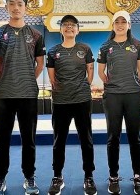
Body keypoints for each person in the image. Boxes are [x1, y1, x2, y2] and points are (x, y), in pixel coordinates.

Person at [0, 0, 45, 195]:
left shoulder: (36, 35)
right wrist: (8, 79)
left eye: (20, 4)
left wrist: (27, 78)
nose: (16, 7)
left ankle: (29, 178)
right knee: (1, 140)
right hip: (3, 94)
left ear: (25, 8)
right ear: (6, 8)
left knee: (28, 140)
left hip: (28, 94)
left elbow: (40, 63)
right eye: (12, 4)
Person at [97, 10, 140, 195]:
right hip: (113, 97)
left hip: (133, 95)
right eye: (116, 22)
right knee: (113, 138)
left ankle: (138, 177)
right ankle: (113, 177)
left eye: (123, 21)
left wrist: (130, 83)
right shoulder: (105, 46)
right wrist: (113, 84)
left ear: (129, 24)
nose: (120, 25)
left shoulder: (137, 45)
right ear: (112, 25)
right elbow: (101, 72)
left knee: (135, 138)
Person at [46, 14, 97, 195]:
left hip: (82, 100)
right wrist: (57, 87)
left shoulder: (85, 48)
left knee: (86, 139)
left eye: (72, 25)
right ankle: (57, 176)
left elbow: (90, 68)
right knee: (59, 140)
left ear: (78, 29)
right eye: (65, 25)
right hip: (60, 101)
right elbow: (51, 74)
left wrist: (87, 83)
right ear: (60, 29)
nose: (69, 27)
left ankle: (89, 176)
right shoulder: (53, 51)